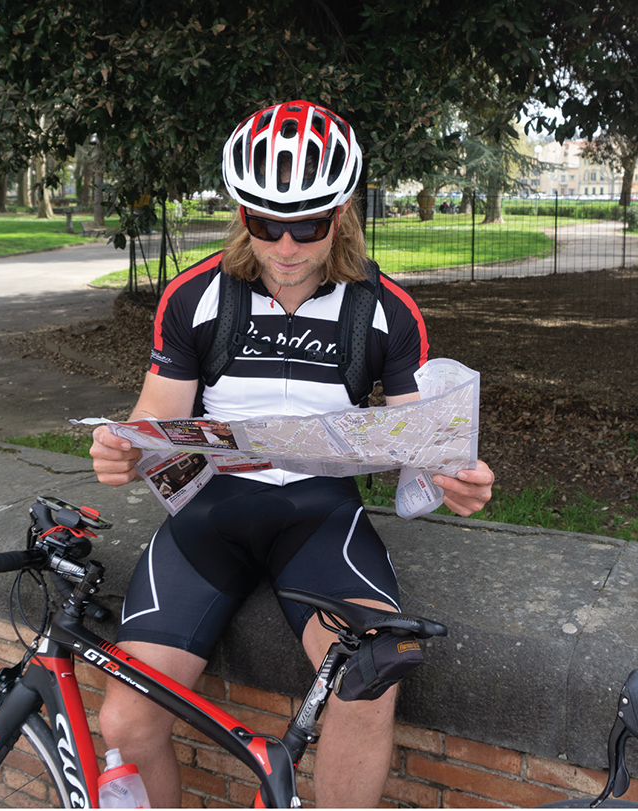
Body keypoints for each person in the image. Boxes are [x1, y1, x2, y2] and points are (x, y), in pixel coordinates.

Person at [90, 100, 494, 807]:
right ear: (241, 212)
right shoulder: (194, 297)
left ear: (340, 213)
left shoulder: (385, 310)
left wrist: (449, 473)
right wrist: (122, 444)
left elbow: (415, 438)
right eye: (262, 221)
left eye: (305, 225)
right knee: (125, 718)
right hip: (210, 512)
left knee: (370, 680)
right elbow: (158, 414)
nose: (284, 246)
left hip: (317, 514)